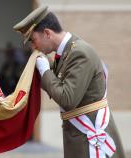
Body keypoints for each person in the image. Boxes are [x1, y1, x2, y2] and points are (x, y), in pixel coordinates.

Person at [13, 6, 125, 158]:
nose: (34, 47)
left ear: (47, 33)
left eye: (33, 40)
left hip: (91, 138)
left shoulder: (79, 53)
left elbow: (67, 99)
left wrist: (45, 71)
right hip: (79, 134)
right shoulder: (67, 52)